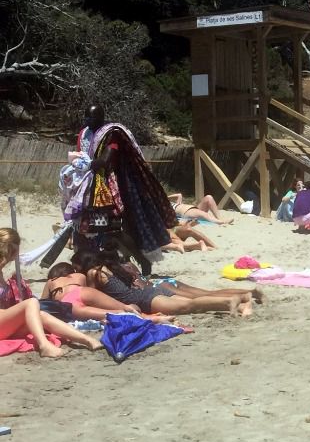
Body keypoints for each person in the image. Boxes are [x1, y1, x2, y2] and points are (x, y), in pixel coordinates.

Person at [61, 105, 177, 276]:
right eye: (86, 118)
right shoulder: (84, 132)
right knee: (84, 228)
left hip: (105, 188)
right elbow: (81, 153)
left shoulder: (111, 133)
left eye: (92, 118)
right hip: (85, 186)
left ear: (100, 117)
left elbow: (106, 159)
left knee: (113, 229)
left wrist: (85, 165)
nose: (88, 121)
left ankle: (142, 260)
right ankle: (87, 263)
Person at [1, 228, 104, 357]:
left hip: (3, 322)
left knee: (41, 315)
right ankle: (44, 345)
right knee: (32, 303)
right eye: (16, 249)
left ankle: (87, 340)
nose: (17, 254)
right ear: (9, 248)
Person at [76, 250, 253, 316]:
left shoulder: (93, 273)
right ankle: (241, 306)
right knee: (192, 302)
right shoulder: (110, 267)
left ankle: (229, 301)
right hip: (149, 292)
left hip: (144, 299)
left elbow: (93, 296)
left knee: (189, 306)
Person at [43, 263, 175, 324]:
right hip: (84, 292)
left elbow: (44, 302)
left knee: (113, 314)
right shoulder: (78, 276)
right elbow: (87, 292)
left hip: (69, 303)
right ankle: (147, 314)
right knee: (123, 306)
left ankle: (156, 319)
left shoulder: (51, 281)